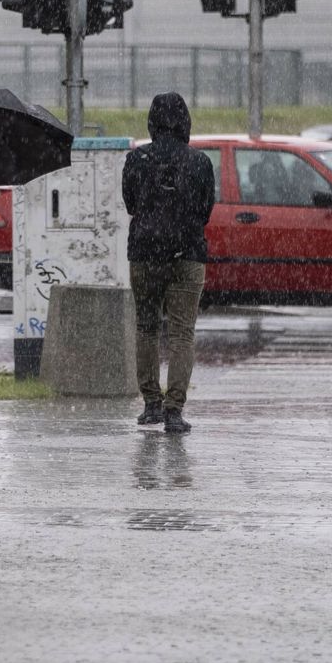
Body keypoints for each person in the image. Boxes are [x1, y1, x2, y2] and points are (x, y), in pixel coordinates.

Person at [121, 92, 216, 434]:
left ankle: (151, 405)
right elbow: (205, 211)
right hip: (188, 255)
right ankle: (174, 410)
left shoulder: (137, 159)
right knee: (181, 333)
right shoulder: (200, 162)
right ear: (185, 122)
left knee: (146, 327)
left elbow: (130, 204)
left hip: (145, 255)